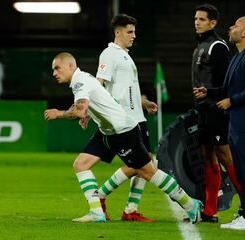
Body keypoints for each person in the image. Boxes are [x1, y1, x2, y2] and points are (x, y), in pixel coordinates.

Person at [44, 52, 202, 223]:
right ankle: (97, 213)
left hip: (123, 131)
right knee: (81, 165)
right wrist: (88, 113)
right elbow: (92, 101)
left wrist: (58, 113)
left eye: (57, 68)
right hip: (107, 131)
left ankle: (191, 205)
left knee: (148, 172)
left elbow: (79, 109)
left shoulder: (80, 81)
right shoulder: (82, 79)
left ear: (70, 66)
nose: (54, 73)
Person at [194, 16, 245, 231]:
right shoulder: (239, 56)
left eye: (236, 25)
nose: (231, 28)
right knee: (243, 170)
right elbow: (229, 89)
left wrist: (232, 101)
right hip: (237, 122)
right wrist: (210, 92)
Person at [92, 14, 157, 222]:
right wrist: (90, 108)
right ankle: (101, 196)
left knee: (145, 163)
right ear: (117, 32)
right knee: (143, 164)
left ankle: (130, 210)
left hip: (137, 117)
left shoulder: (125, 55)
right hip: (124, 120)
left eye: (135, 32)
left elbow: (127, 88)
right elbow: (99, 83)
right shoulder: (109, 55)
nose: (134, 36)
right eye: (130, 32)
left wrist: (143, 102)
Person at [191, 4, 243, 223]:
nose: (197, 22)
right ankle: (210, 210)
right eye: (196, 18)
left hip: (217, 109)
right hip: (202, 110)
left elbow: (227, 83)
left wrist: (210, 94)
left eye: (202, 19)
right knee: (206, 157)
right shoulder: (201, 45)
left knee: (225, 155)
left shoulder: (218, 46)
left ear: (213, 23)